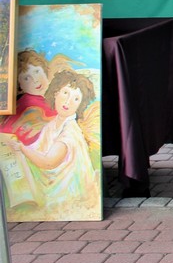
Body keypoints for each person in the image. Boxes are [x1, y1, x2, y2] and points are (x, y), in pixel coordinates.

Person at [0, 69, 99, 214]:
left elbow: (48, 162)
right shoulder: (53, 124)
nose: (68, 102)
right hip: (49, 181)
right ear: (55, 93)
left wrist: (23, 149)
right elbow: (38, 147)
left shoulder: (70, 133)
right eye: (65, 93)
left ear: (80, 105)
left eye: (76, 99)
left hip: (62, 191)